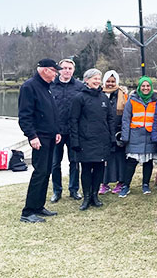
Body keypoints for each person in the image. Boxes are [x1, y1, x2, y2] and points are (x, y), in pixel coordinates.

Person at [18, 59, 63, 223]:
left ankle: (38, 206)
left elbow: (52, 112)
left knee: (46, 172)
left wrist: (57, 130)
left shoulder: (47, 87)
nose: (56, 74)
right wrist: (32, 136)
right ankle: (28, 211)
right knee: (40, 172)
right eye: (54, 71)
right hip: (39, 137)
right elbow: (24, 115)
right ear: (45, 70)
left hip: (50, 136)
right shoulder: (29, 87)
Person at [69, 68, 114, 211]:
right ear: (87, 80)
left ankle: (95, 195)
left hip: (102, 139)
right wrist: (74, 141)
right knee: (86, 169)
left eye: (98, 78)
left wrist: (112, 137)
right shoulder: (79, 98)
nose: (97, 81)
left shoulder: (104, 98)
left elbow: (110, 119)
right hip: (85, 140)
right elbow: (73, 120)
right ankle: (87, 197)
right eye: (94, 78)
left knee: (100, 168)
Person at [49, 58, 85, 203]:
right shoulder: (51, 85)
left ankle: (74, 189)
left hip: (73, 131)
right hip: (56, 131)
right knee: (55, 163)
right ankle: (57, 191)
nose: (67, 71)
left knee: (74, 161)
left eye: (70, 68)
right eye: (64, 68)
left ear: (73, 70)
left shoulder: (79, 86)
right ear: (59, 69)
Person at [119, 76, 157, 197]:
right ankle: (126, 185)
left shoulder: (156, 100)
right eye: (143, 86)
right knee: (131, 161)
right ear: (139, 87)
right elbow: (126, 119)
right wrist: (125, 137)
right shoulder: (132, 100)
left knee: (148, 161)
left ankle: (145, 184)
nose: (146, 88)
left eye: (148, 86)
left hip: (150, 135)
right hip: (135, 135)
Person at [98, 70, 128, 195]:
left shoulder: (122, 94)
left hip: (118, 130)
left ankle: (120, 182)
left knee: (119, 158)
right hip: (103, 131)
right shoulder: (99, 93)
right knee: (105, 158)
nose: (110, 84)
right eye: (108, 81)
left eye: (113, 81)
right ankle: (104, 183)